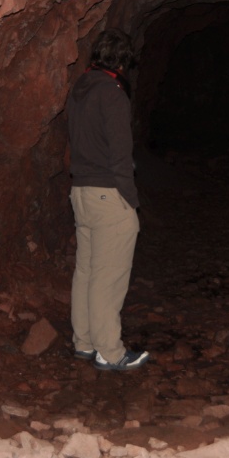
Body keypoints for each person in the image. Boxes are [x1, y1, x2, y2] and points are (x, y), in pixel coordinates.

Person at [66, 29, 150, 371]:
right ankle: (109, 351)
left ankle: (84, 342)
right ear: (122, 61)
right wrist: (130, 200)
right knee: (108, 275)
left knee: (86, 271)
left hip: (81, 192)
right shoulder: (113, 94)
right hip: (107, 193)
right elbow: (119, 154)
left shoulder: (79, 90)